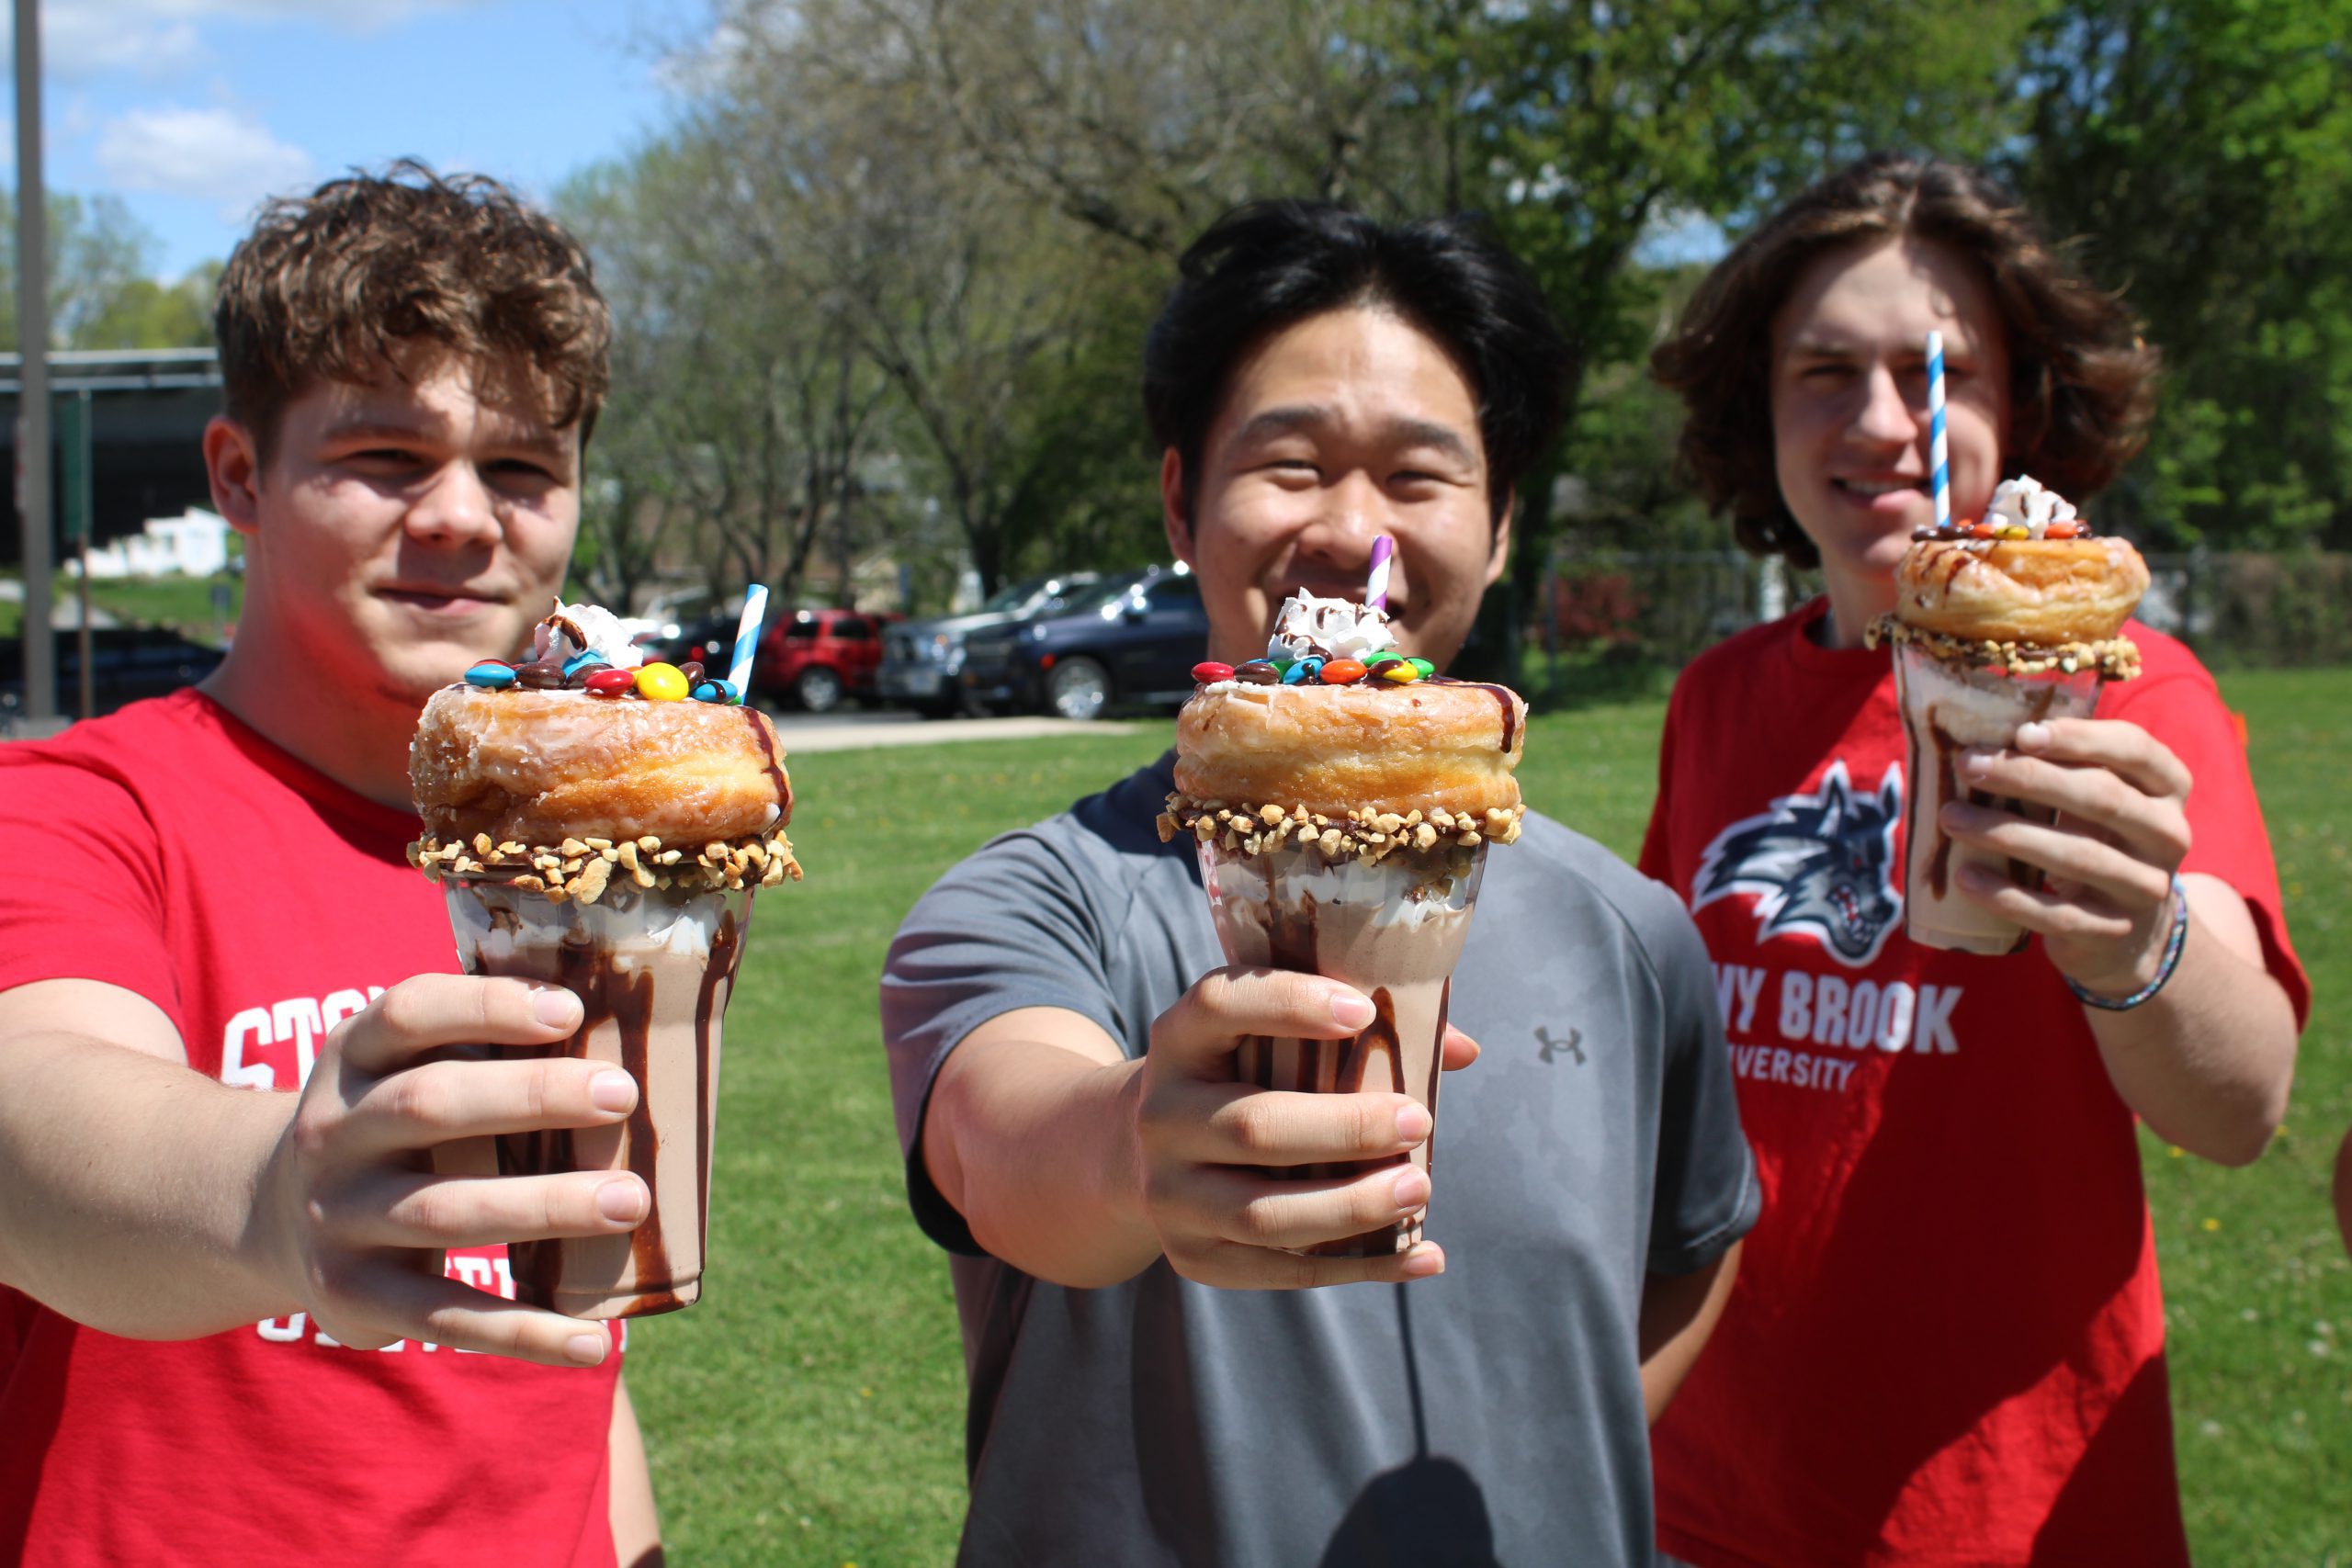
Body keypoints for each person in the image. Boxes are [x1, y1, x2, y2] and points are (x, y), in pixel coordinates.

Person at [881, 200, 1758, 1566]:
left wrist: (1557, 1460)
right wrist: (1135, 1147)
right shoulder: (1032, 902)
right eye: (1289, 464)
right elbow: (1006, 1143)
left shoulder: (1632, 930)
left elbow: (1695, 1244)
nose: (1353, 529)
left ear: (1505, 522)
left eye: (1419, 475)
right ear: (1182, 499)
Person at [1642, 152, 2310, 1566]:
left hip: (2008, 1516)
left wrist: (2138, 946)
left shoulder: (2131, 693)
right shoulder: (1715, 700)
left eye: (1936, 371)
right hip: (1705, 1496)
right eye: (1824, 371)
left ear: (2018, 411)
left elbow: (2240, 1106)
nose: (1883, 422)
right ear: (1758, 412)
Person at [0, 165, 664, 1566]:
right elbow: (32, 1119)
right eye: (386, 457)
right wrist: (274, 1199)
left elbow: (572, 1333)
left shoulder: (584, 863)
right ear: (240, 475)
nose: (464, 519)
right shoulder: (76, 808)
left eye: (523, 468)